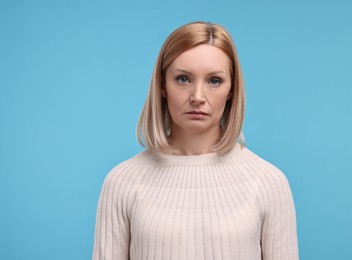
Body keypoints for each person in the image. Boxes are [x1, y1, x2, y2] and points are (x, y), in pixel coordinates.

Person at [92, 21, 299, 260]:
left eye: (214, 81)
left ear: (232, 89)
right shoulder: (122, 182)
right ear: (162, 85)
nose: (198, 97)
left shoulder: (268, 182)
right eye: (183, 79)